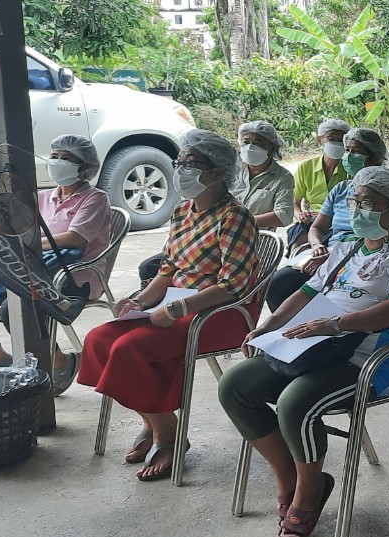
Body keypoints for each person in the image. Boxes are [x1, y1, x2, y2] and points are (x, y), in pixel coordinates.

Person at [220, 167, 389, 537]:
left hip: (370, 362)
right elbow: (305, 294)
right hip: (313, 347)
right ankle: (291, 477)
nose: (358, 210)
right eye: (355, 202)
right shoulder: (346, 247)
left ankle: (307, 492)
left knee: (295, 403)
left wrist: (337, 324)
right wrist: (270, 326)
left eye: (370, 203)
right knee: (235, 385)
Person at [77, 129, 260, 482]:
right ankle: (155, 418)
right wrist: (139, 300)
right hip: (174, 305)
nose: (182, 170)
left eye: (193, 164)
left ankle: (168, 433)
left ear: (220, 172)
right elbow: (168, 270)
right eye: (181, 163)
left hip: (218, 313)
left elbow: (232, 285)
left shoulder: (234, 217)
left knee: (132, 348)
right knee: (100, 338)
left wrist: (178, 309)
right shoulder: (182, 212)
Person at [0, 134, 111, 389]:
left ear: (85, 168)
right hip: (28, 269)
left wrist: (21, 251)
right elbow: (19, 235)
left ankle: (59, 362)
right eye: (55, 156)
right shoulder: (44, 197)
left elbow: (74, 239)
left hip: (71, 277)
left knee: (14, 310)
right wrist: (2, 262)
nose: (57, 162)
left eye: (67, 159)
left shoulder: (95, 198)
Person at [136, 120, 292, 283]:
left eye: (258, 143)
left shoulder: (281, 178)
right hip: (201, 242)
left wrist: (235, 224)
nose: (251, 147)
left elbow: (284, 215)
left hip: (248, 242)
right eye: (246, 142)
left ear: (272, 147)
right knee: (151, 269)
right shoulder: (184, 208)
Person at [265, 128, 389, 311]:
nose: (347, 156)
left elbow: (383, 236)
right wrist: (316, 246)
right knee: (277, 285)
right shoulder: (341, 189)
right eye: (347, 150)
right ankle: (290, 332)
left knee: (330, 292)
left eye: (355, 152)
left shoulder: (387, 191)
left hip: (365, 255)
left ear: (374, 158)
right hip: (328, 250)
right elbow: (317, 228)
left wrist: (334, 257)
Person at [288, 119, 352, 248]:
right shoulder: (306, 168)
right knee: (298, 238)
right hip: (311, 221)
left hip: (340, 222)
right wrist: (300, 215)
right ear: (319, 140)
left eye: (341, 140)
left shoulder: (351, 169)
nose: (336, 143)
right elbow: (294, 203)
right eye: (331, 138)